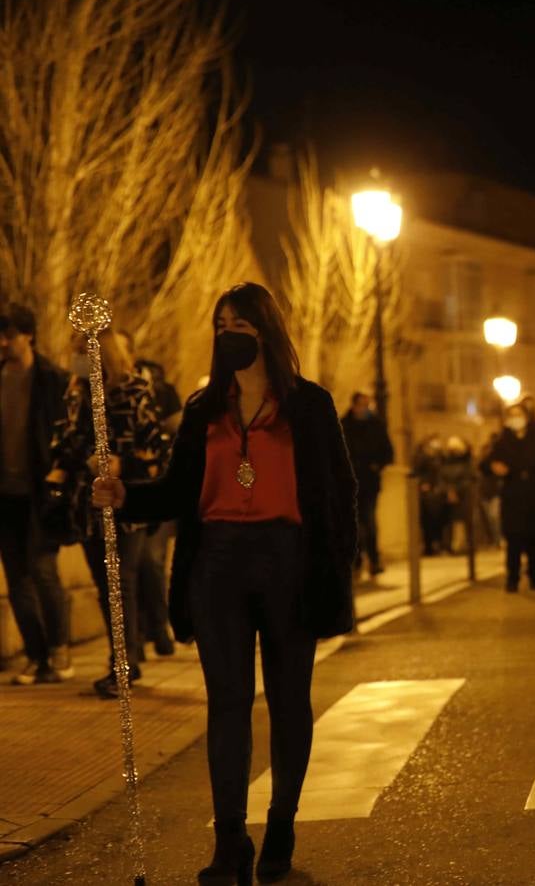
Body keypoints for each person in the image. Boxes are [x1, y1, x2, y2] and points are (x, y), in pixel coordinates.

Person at [92, 282, 358, 884]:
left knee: (289, 701)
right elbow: (181, 491)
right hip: (218, 564)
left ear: (266, 331)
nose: (228, 334)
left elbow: (340, 495)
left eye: (240, 323)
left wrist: (336, 567)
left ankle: (282, 824)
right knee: (228, 705)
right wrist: (127, 495)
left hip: (289, 562)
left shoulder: (310, 406)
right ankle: (230, 840)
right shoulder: (202, 409)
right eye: (221, 323)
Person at [50, 329, 165, 698]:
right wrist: (79, 457)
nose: (79, 357)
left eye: (86, 350)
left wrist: (122, 462)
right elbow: (64, 436)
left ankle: (124, 664)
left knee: (122, 581)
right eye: (77, 350)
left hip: (125, 500)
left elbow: (153, 446)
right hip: (88, 502)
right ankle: (126, 655)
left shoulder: (133, 391)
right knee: (105, 585)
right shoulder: (75, 392)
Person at [0, 303, 73, 685]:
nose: (2, 342)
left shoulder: (51, 379)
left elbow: (65, 434)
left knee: (43, 570)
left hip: (39, 490)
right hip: (5, 494)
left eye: (9, 334)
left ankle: (59, 648)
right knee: (16, 578)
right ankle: (36, 655)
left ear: (28, 335)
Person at [127, 332, 182, 657]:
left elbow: (176, 430)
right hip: (133, 492)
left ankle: (159, 628)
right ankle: (140, 638)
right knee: (131, 568)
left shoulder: (161, 392)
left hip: (157, 486)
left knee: (152, 561)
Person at [485, 399, 535, 592]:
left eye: (519, 415)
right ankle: (512, 577)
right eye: (512, 415)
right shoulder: (503, 440)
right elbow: (488, 462)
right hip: (513, 496)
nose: (515, 419)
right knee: (514, 539)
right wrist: (495, 467)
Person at [341, 391, 393, 578]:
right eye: (362, 404)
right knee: (353, 523)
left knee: (369, 522)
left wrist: (376, 466)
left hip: (370, 482)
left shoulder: (376, 425)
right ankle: (356, 560)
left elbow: (388, 452)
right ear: (354, 405)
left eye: (367, 404)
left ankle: (373, 560)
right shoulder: (344, 425)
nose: (365, 408)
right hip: (349, 482)